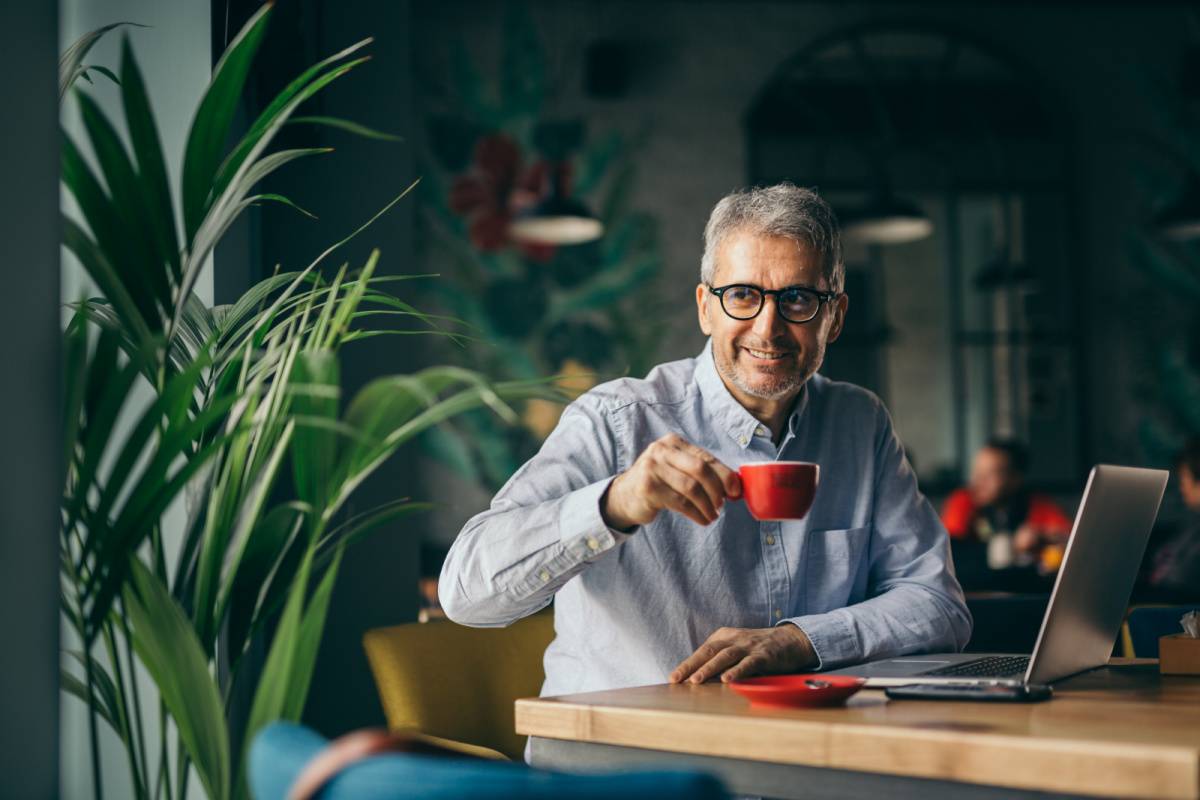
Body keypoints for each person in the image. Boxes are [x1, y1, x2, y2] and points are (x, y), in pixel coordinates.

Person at [439, 183, 971, 705]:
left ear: (835, 317)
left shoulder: (860, 423)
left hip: (797, 754)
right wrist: (615, 504)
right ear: (705, 308)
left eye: (798, 299)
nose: (768, 328)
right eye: (742, 295)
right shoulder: (617, 420)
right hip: (626, 762)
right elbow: (465, 595)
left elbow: (938, 606)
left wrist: (798, 641)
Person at [941, 439, 1072, 579]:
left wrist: (1042, 538)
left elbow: (1069, 540)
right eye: (976, 471)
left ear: (1015, 479)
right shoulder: (963, 501)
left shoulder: (1037, 504)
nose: (978, 480)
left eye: (991, 474)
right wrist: (1011, 546)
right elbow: (948, 552)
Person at [1141, 437, 1200, 601]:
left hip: (1172, 603)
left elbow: (1182, 579)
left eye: (1184, 478)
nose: (1182, 487)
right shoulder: (1192, 523)